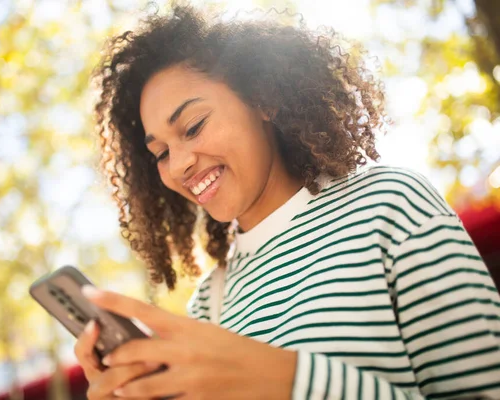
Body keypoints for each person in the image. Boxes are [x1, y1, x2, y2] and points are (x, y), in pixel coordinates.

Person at [74, 5, 500, 399]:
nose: (180, 164)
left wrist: (285, 378)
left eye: (194, 125)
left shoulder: (391, 207)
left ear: (263, 99)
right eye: (161, 154)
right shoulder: (209, 302)